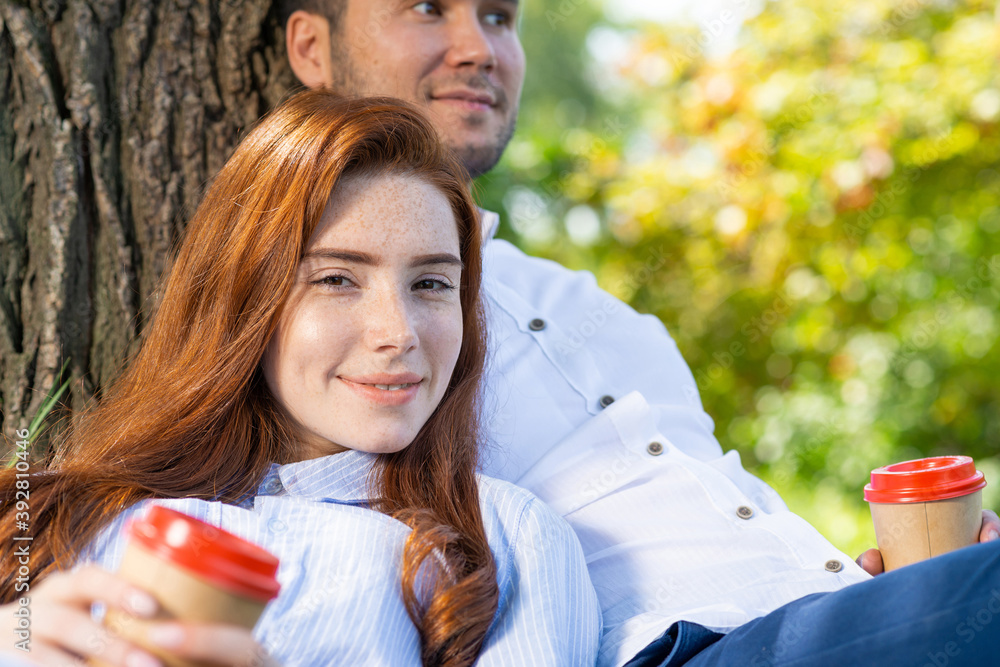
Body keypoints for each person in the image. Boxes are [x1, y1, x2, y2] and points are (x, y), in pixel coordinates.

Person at [277, 1, 1000, 666]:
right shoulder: (306, 314)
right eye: (429, 8)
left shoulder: (601, 311)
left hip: (827, 613)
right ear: (313, 46)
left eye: (500, 15)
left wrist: (912, 587)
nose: (478, 48)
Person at [0, 91, 601, 666]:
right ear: (244, 297)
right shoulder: (50, 511)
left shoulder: (506, 541)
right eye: (337, 279)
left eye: (431, 284)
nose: (398, 333)